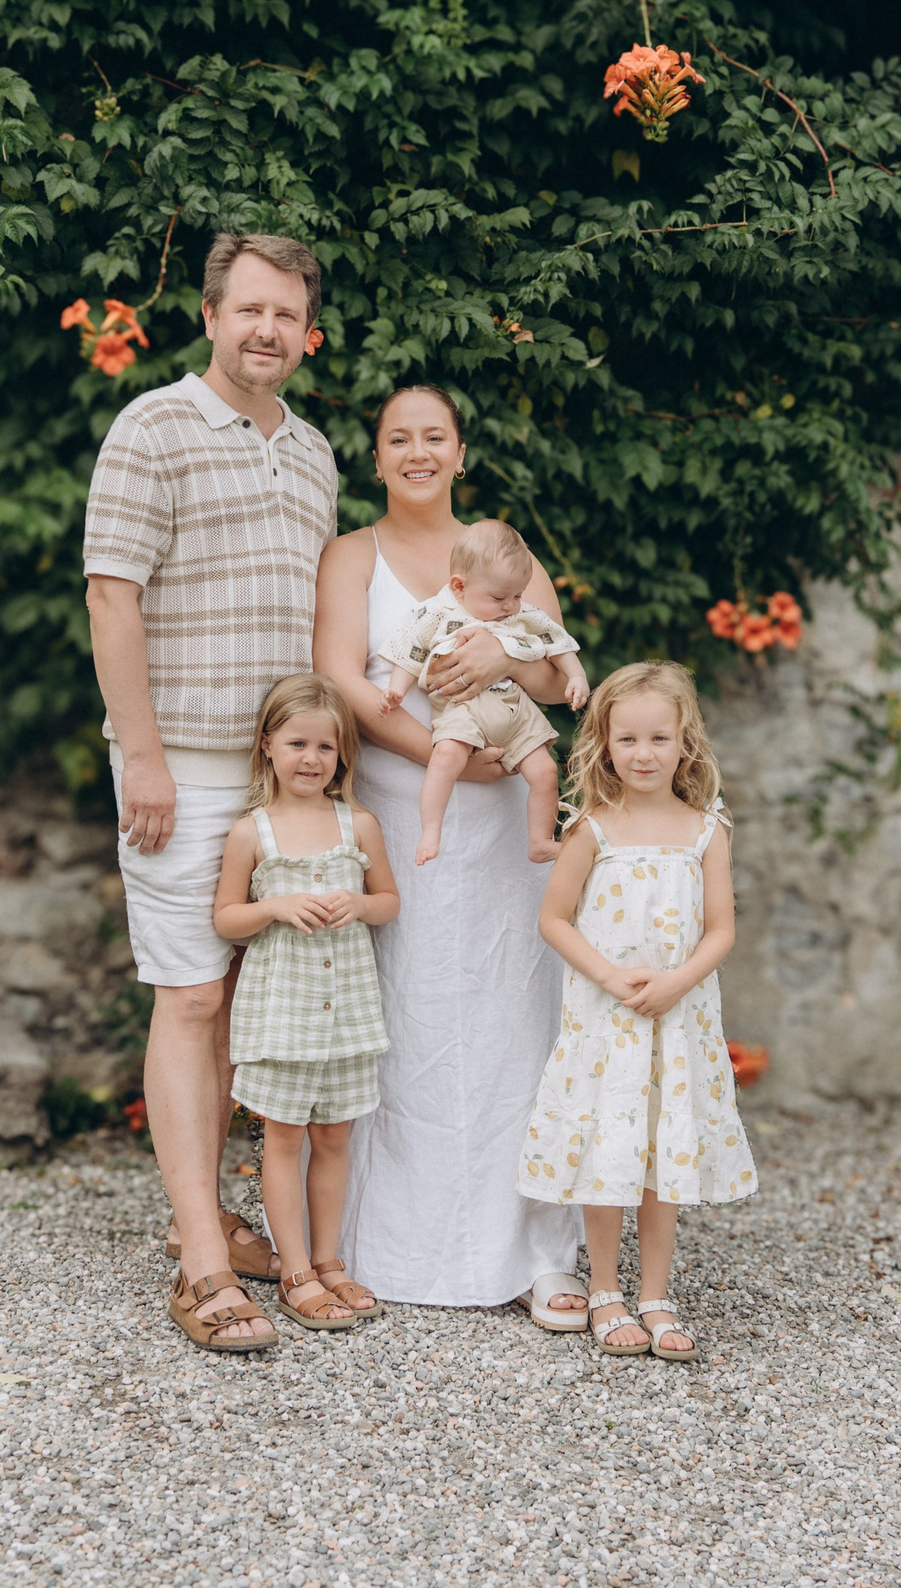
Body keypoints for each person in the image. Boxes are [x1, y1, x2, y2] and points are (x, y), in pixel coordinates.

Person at [83, 230, 336, 1347]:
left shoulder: (319, 452)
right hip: (179, 763)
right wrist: (138, 753)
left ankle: (215, 1213)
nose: (265, 330)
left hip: (282, 778)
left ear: (307, 332)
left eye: (284, 314)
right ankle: (199, 1266)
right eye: (248, 310)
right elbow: (110, 595)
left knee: (243, 1002)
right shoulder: (153, 428)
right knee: (188, 996)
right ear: (212, 317)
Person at [311, 384, 590, 1326]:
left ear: (462, 452)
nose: (418, 451)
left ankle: (539, 1252)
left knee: (516, 1014)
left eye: (436, 437)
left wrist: (500, 667)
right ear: (378, 456)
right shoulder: (353, 554)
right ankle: (387, 1243)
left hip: (508, 818)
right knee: (409, 1015)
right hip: (406, 808)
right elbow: (343, 677)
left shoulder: (505, 553)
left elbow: (558, 675)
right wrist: (437, 754)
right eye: (400, 438)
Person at [517, 661, 757, 1359]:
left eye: (659, 738)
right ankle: (603, 1289)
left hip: (677, 1019)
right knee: (608, 1149)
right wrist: (611, 975)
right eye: (629, 739)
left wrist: (678, 980)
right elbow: (555, 918)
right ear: (605, 742)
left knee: (660, 1150)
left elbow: (721, 929)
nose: (644, 753)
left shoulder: (706, 829)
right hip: (608, 1018)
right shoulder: (593, 827)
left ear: (685, 741)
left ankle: (655, 1293)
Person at [207, 674, 399, 1342]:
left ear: (343, 754)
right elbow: (227, 917)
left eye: (326, 746)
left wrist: (360, 904)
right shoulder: (252, 832)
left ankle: (329, 1257)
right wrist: (274, 906)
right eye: (297, 743)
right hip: (283, 1012)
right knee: (283, 1140)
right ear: (268, 746)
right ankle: (293, 1270)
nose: (311, 758)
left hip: (345, 1009)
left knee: (335, 1138)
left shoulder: (359, 823)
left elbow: (389, 901)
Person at [376, 517, 589, 866]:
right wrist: (396, 690)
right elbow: (411, 649)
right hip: (462, 706)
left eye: (518, 595)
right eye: (499, 597)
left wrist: (575, 675)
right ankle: (431, 829)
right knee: (446, 757)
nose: (511, 606)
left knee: (546, 772)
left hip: (513, 708)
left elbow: (555, 639)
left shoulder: (519, 614)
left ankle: (540, 840)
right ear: (459, 586)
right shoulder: (437, 612)